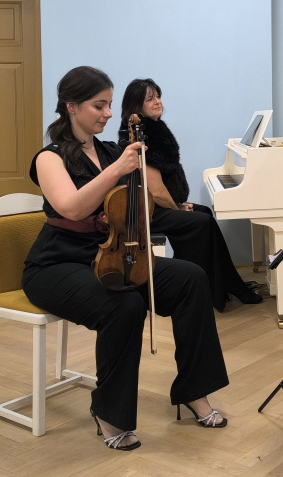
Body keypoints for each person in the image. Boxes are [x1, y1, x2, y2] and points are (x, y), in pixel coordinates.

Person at [23, 66, 229, 452]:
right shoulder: (50, 158)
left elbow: (130, 209)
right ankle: (109, 412)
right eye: (98, 105)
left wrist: (142, 190)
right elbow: (72, 208)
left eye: (109, 105)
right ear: (71, 107)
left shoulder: (108, 151)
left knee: (190, 279)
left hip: (113, 253)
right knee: (125, 304)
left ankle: (194, 390)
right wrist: (119, 169)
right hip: (57, 264)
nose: (107, 113)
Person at [119, 78, 262, 311]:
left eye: (158, 96)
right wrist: (177, 207)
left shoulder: (153, 128)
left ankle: (222, 285)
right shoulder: (140, 136)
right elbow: (155, 190)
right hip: (147, 211)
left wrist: (178, 204)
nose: (158, 102)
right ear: (137, 106)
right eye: (150, 99)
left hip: (160, 205)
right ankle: (216, 287)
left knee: (203, 213)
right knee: (200, 221)